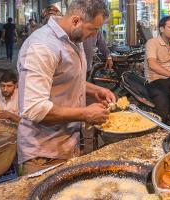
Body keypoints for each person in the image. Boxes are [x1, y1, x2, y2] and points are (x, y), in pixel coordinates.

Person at [17, 0, 115, 174]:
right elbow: (34, 108)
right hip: (44, 154)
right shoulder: (42, 46)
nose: (94, 36)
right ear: (76, 21)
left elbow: (67, 78)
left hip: (70, 144)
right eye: (92, 29)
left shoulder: (74, 39)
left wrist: (96, 90)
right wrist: (85, 114)